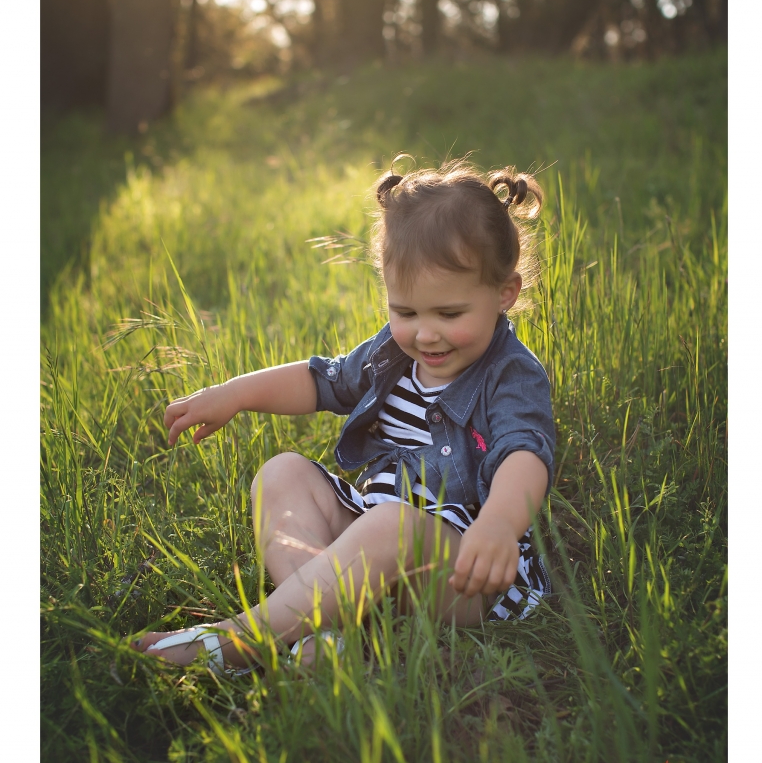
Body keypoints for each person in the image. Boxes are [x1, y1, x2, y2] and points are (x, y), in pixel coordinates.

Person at [132, 158, 556, 672]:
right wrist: (235, 392)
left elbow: (523, 453)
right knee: (282, 473)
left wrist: (497, 525)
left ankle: (242, 639)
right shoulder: (395, 353)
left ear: (503, 294)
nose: (425, 333)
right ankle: (326, 633)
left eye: (449, 314)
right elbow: (322, 380)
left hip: (464, 569)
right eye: (405, 312)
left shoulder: (510, 374)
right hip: (376, 536)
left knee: (390, 527)